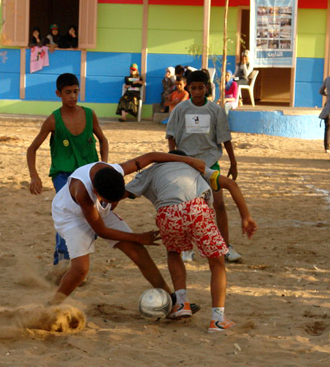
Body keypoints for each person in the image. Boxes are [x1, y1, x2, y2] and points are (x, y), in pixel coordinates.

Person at [48, 152, 206, 306]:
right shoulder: (82, 191)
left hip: (96, 211)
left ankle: (170, 301)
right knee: (80, 270)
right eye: (110, 202)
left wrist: (189, 160)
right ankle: (51, 306)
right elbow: (101, 231)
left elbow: (151, 156)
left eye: (115, 202)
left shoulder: (116, 170)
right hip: (70, 216)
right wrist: (139, 237)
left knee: (138, 251)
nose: (113, 205)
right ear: (96, 193)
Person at [124, 150, 257, 332]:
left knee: (173, 252)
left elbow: (121, 193)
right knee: (217, 262)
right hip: (196, 210)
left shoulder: (150, 171)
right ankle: (217, 320)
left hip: (168, 213)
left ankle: (181, 304)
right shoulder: (193, 165)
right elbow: (231, 184)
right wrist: (246, 216)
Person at [27, 73, 109, 266]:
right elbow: (32, 149)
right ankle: (62, 257)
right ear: (58, 93)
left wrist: (104, 165)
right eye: (68, 92)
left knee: (89, 215)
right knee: (68, 214)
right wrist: (34, 176)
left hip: (89, 173)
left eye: (76, 91)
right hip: (63, 175)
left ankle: (77, 255)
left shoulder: (89, 114)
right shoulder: (53, 120)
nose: (73, 96)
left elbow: (103, 140)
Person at [166, 69, 243, 263]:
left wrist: (233, 162)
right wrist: (173, 159)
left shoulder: (215, 110)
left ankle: (225, 247)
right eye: (194, 88)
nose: (198, 92)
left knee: (219, 204)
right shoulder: (181, 110)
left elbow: (225, 138)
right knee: (186, 207)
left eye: (201, 87)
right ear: (189, 89)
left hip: (210, 164)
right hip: (186, 165)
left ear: (207, 88)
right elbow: (171, 136)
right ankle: (186, 248)